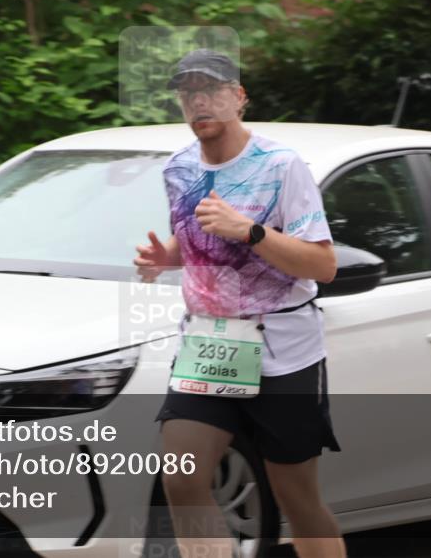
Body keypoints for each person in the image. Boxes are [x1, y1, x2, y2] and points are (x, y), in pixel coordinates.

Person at [134, 49, 347, 558]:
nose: (199, 103)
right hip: (211, 341)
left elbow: (323, 265)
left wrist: (251, 232)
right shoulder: (179, 169)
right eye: (188, 94)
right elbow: (201, 240)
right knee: (182, 482)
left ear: (238, 97)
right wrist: (171, 254)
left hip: (283, 348)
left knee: (297, 499)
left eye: (211, 91)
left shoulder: (281, 167)